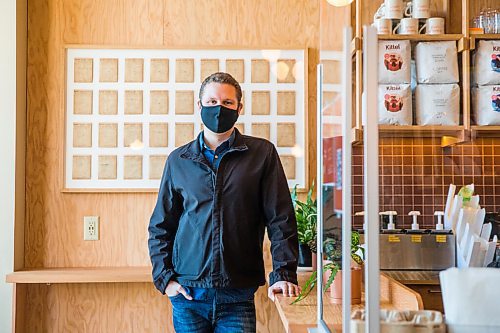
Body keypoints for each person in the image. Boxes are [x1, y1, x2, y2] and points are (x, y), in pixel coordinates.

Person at [148, 72, 300, 333]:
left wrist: (284, 273)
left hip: (237, 295)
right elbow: (161, 225)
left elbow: (281, 218)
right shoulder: (178, 160)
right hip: (188, 295)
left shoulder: (262, 154)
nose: (219, 109)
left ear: (239, 108)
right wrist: (165, 279)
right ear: (199, 106)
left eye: (228, 103)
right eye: (211, 102)